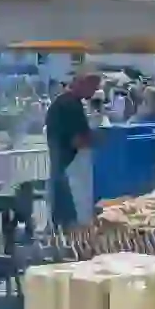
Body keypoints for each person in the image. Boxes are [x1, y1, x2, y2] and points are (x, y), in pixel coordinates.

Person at [45, 73, 99, 230]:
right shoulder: (71, 106)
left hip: (61, 172)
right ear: (82, 83)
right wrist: (99, 140)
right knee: (74, 226)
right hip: (70, 174)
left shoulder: (61, 102)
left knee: (61, 224)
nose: (94, 92)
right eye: (93, 87)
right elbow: (78, 141)